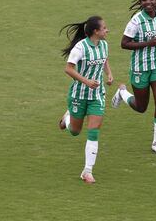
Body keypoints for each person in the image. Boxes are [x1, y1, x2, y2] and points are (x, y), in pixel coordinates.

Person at [111, 0, 156, 155]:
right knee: (141, 107)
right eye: (144, 0)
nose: (148, 2)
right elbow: (124, 43)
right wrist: (147, 43)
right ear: (140, 3)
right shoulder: (136, 21)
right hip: (140, 68)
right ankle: (122, 93)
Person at [58, 15, 113, 184]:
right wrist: (87, 81)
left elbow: (104, 60)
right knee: (75, 131)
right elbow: (68, 69)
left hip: (97, 95)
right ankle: (67, 118)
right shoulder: (80, 48)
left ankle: (87, 171)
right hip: (79, 95)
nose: (107, 30)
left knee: (94, 131)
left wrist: (109, 74)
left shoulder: (103, 44)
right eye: (104, 28)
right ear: (95, 31)